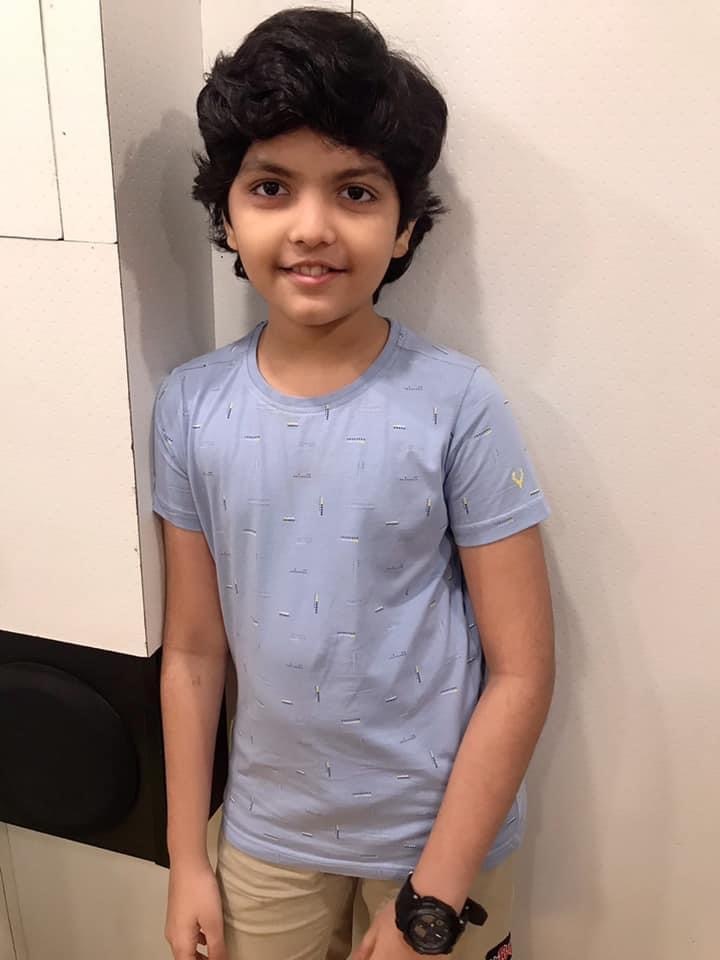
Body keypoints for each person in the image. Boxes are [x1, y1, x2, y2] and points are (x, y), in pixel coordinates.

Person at [152, 7, 555, 960]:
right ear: (227, 214)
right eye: (272, 186)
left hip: (437, 846)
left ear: (405, 225)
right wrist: (186, 859)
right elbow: (194, 653)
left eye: (356, 192)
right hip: (264, 836)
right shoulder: (190, 406)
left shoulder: (458, 403)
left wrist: (432, 900)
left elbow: (523, 669)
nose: (312, 228)